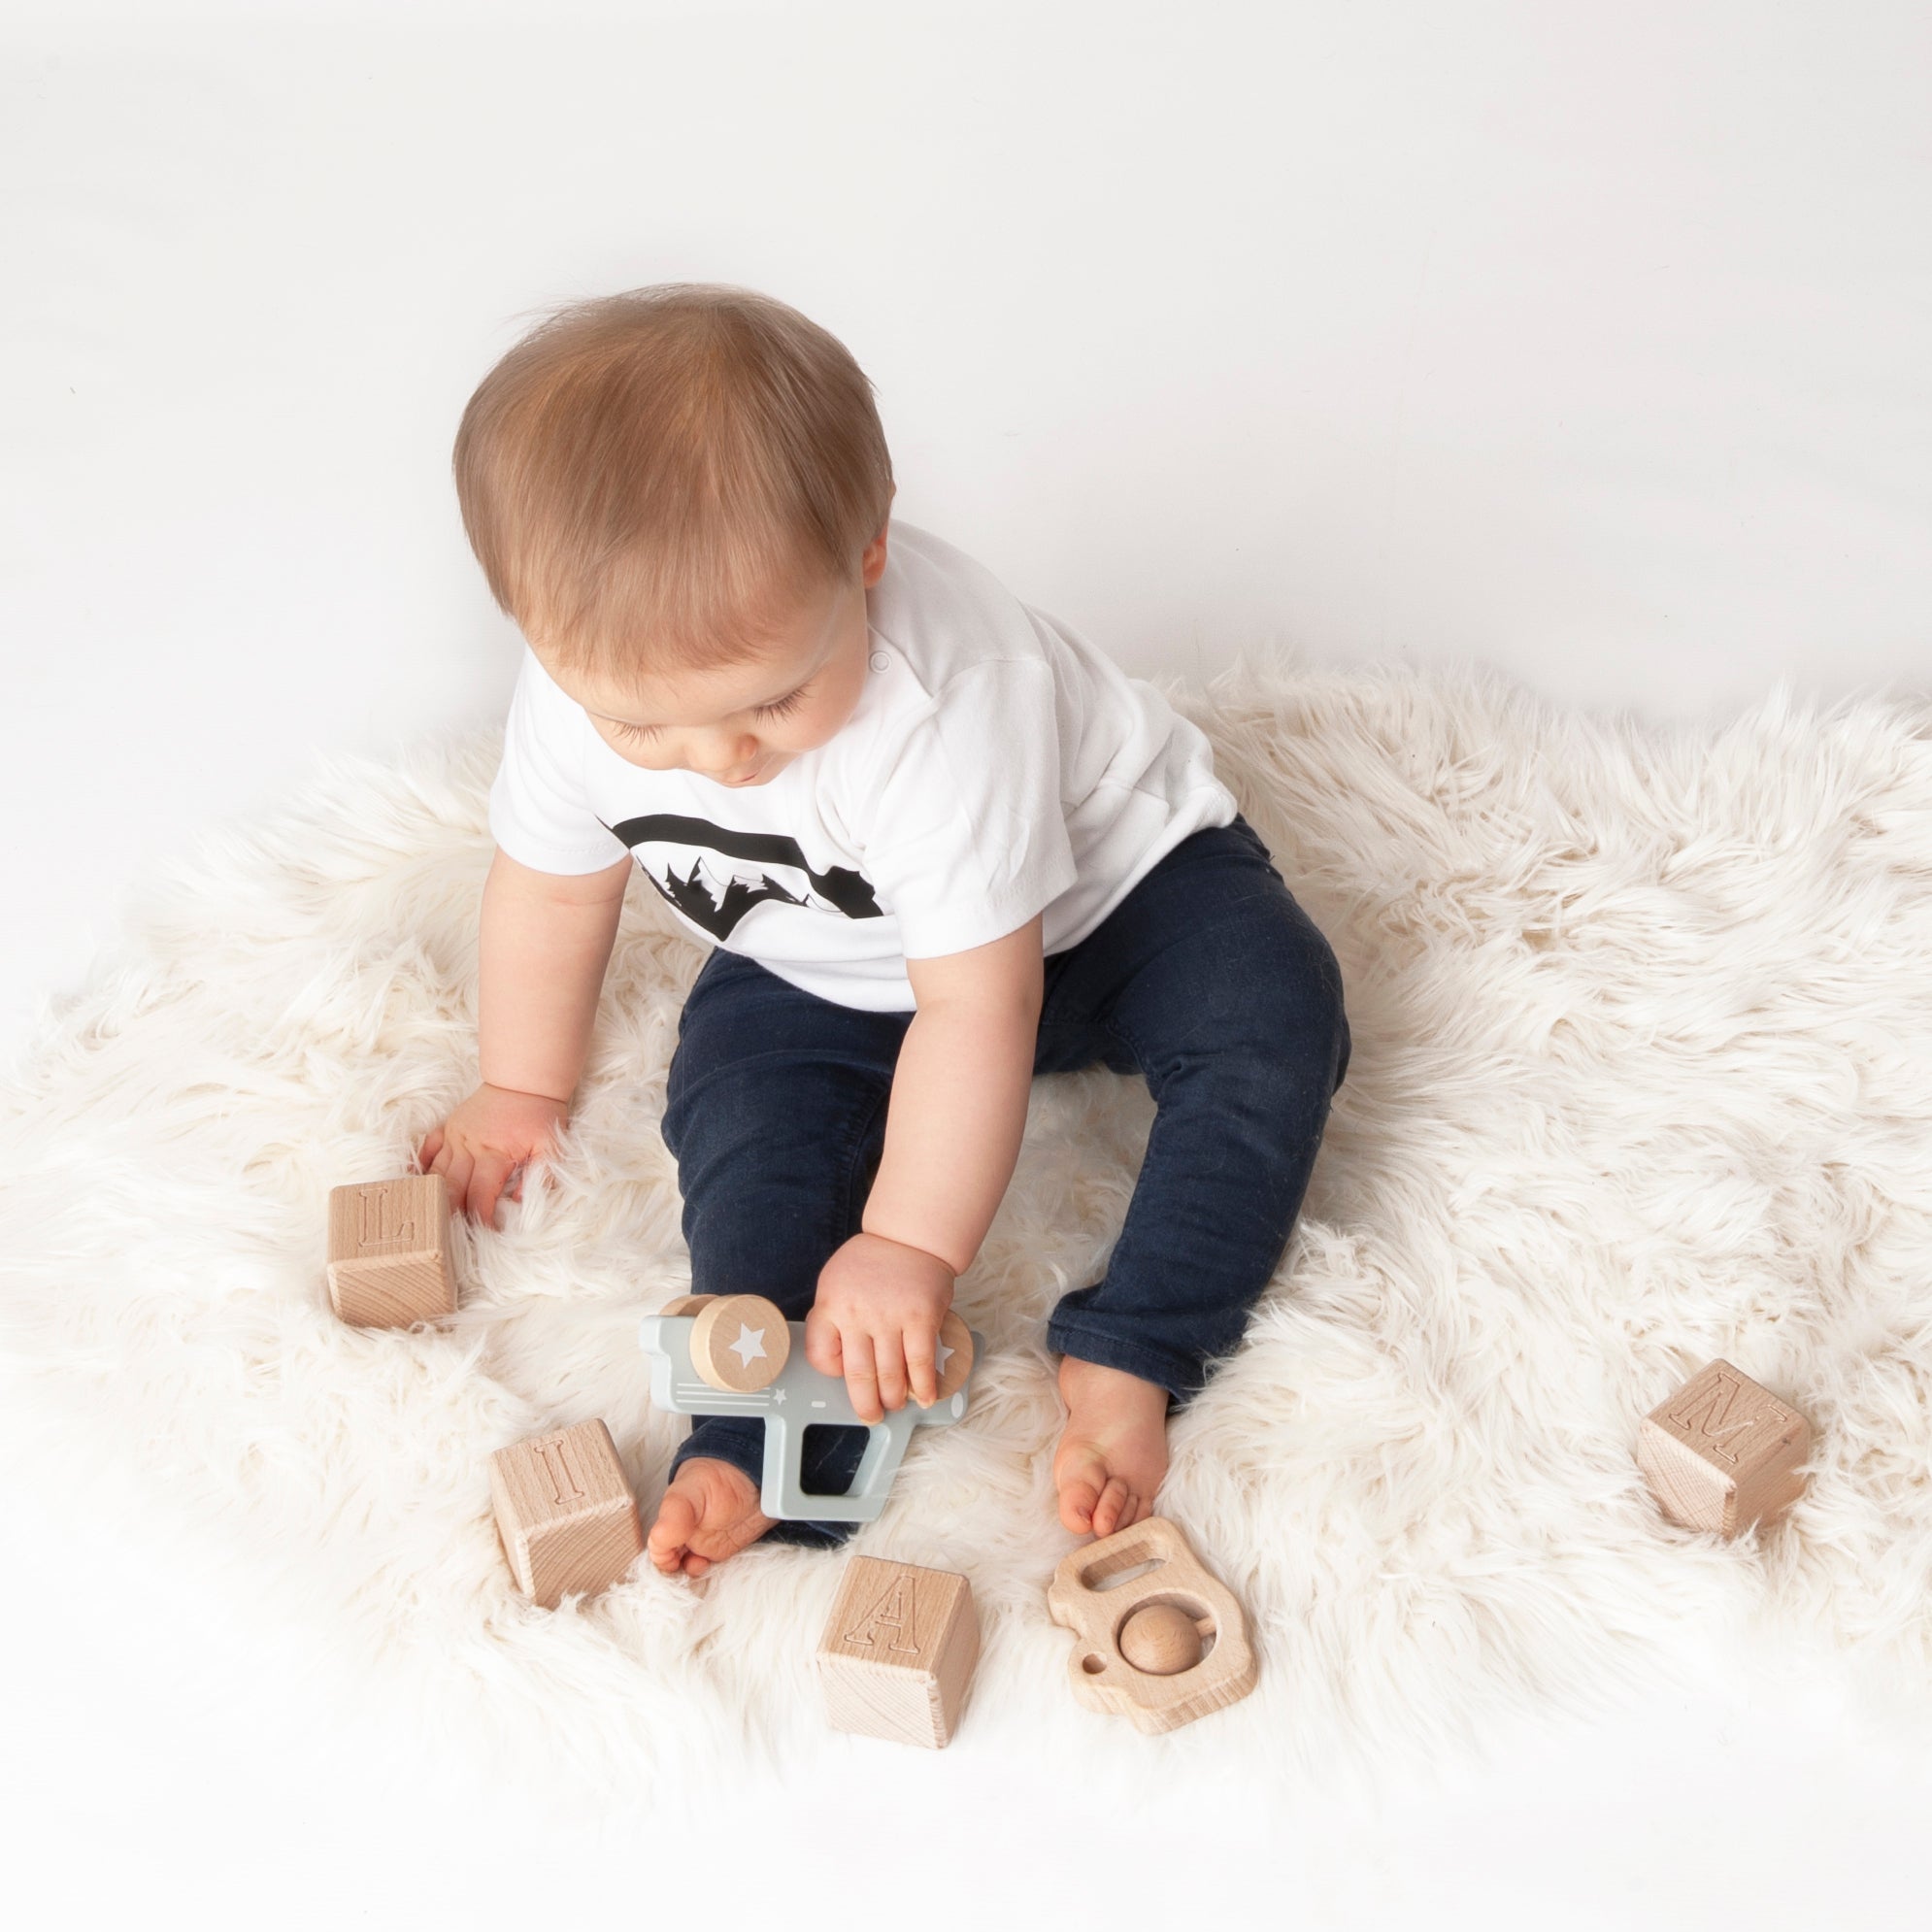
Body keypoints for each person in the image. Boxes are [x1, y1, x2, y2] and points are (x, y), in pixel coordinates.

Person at [415, 282, 1351, 1579]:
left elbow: (981, 1005)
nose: (717, 760)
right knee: (746, 1120)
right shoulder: (578, 696)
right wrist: (517, 1083)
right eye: (648, 729)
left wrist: (910, 1242)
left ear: (868, 553)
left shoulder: (944, 707)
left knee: (1272, 1017)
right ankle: (744, 1436)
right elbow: (550, 887)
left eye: (774, 699)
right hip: (828, 956)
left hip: (1109, 903)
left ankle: (1131, 1350)